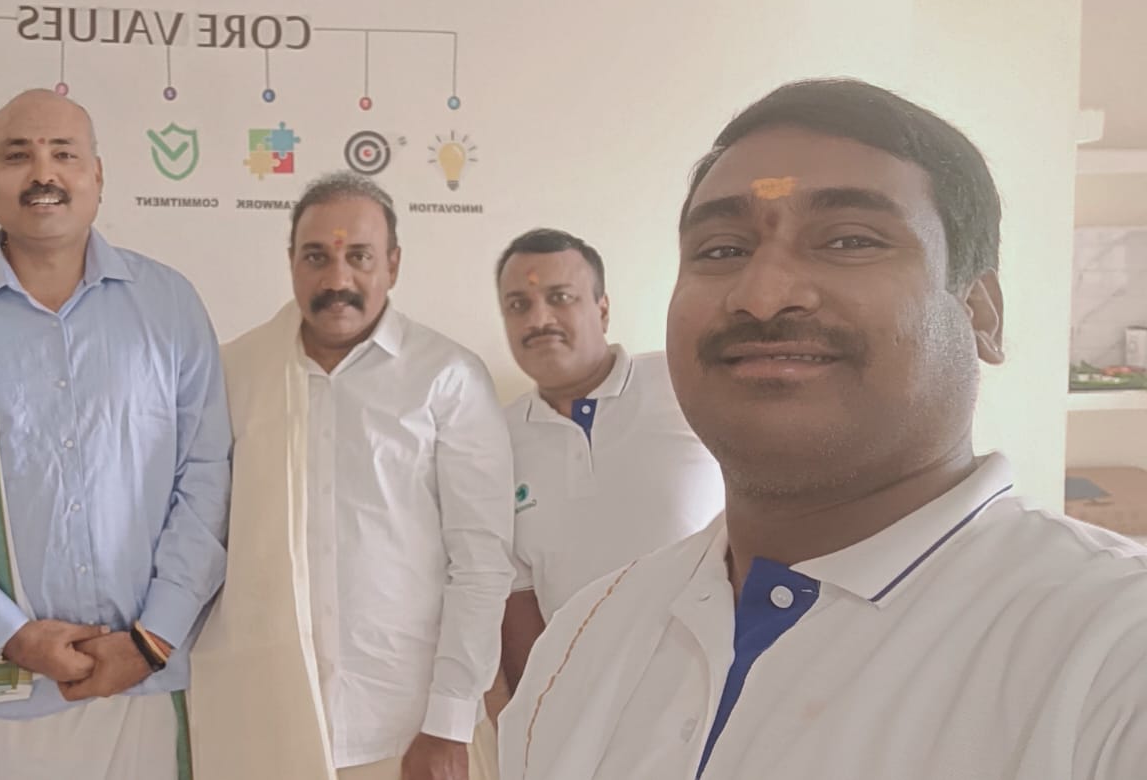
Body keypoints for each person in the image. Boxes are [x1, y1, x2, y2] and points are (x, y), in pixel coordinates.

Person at [500, 78, 1147, 780]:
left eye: (848, 240)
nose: (761, 294)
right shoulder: (586, 642)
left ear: (981, 312)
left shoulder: (1111, 653)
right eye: (721, 250)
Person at [0, 89, 232, 780]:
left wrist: (153, 637)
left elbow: (207, 474)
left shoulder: (167, 304)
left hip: (145, 682)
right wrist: (8, 633)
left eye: (64, 154)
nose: (43, 173)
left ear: (97, 175)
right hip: (4, 690)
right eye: (18, 156)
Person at [192, 172, 515, 780]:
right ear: (291, 262)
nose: (336, 279)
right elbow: (201, 535)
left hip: (402, 728)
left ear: (393, 264)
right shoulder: (235, 372)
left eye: (359, 256)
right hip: (261, 720)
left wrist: (448, 723)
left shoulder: (446, 377)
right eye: (317, 256)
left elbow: (480, 562)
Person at [493, 228, 721, 691]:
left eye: (560, 297)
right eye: (518, 305)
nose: (539, 319)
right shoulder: (494, 441)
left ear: (602, 309)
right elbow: (518, 598)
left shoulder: (690, 385)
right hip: (586, 704)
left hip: (719, 685)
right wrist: (536, 714)